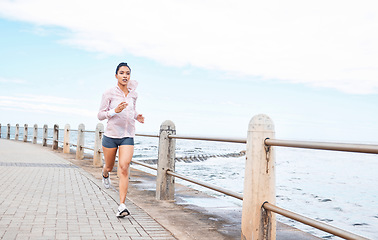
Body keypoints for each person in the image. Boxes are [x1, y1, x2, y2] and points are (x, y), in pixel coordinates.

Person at [97, 62, 144, 218]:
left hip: (127, 135)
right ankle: (104, 174)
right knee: (109, 167)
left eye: (128, 73)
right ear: (116, 75)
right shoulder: (109, 93)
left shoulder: (134, 94)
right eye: (122, 73)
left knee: (124, 167)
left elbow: (132, 110)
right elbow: (100, 115)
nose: (125, 76)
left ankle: (122, 205)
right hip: (111, 135)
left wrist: (137, 116)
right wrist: (114, 111)